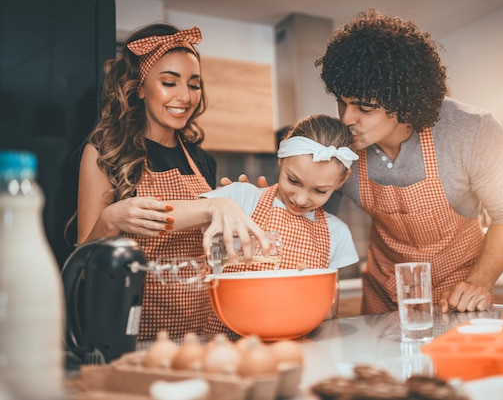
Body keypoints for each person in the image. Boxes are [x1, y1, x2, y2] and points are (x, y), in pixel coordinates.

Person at [314, 9, 503, 315]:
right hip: (384, 290)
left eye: (364, 107)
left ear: (404, 102)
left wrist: (479, 282)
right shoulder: (338, 149)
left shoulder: (471, 131)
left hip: (458, 293)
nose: (347, 118)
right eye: (342, 101)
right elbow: (309, 220)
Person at [76, 23, 264, 341]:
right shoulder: (104, 154)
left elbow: (213, 253)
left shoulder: (201, 159)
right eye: (169, 82)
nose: (185, 97)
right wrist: (109, 221)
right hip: (137, 335)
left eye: (194, 85)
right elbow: (82, 261)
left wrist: (241, 204)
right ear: (138, 87)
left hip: (205, 331)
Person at [198, 114, 360, 335]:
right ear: (280, 159)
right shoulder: (242, 199)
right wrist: (214, 206)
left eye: (320, 191)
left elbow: (329, 315)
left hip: (301, 350)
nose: (301, 200)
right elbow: (176, 216)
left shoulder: (336, 232)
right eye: (293, 181)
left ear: (341, 182)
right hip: (228, 346)